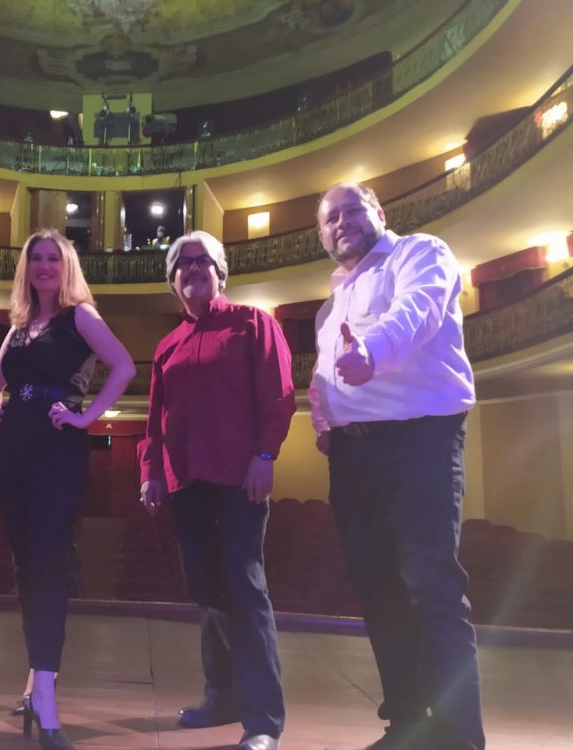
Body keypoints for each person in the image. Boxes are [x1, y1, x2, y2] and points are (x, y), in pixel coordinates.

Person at [309, 183, 483, 750]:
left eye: (352, 210)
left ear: (379, 213)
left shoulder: (419, 252)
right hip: (354, 455)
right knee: (378, 590)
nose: (342, 222)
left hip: (419, 442)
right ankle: (408, 723)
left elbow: (417, 312)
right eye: (330, 219)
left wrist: (373, 352)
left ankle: (458, 738)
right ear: (322, 235)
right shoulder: (332, 300)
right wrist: (324, 422)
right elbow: (322, 374)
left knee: (431, 587)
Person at [137, 230, 294, 750]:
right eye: (183, 263)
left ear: (220, 271)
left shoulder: (253, 323)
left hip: (238, 478)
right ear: (172, 280)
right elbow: (155, 418)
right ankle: (221, 697)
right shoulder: (167, 346)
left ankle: (263, 720)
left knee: (244, 589)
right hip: (186, 481)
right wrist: (150, 471)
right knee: (207, 591)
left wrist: (265, 456)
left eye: (203, 260)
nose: (193, 268)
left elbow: (278, 396)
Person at [0, 229, 135, 750]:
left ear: (66, 265)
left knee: (47, 560)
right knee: (26, 563)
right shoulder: (19, 326)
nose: (44, 265)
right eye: (36, 258)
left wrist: (87, 418)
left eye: (53, 257)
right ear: (26, 268)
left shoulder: (80, 316)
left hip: (56, 445)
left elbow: (124, 366)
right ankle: (34, 683)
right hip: (12, 449)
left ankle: (46, 694)